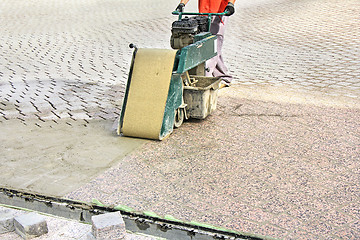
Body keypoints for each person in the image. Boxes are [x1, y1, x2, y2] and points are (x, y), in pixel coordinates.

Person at [175, 0, 236, 88]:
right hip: (203, 14)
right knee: (212, 46)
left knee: (212, 46)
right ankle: (224, 76)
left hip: (219, 14)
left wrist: (231, 4)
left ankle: (203, 79)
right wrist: (182, 4)